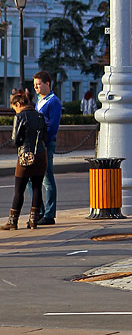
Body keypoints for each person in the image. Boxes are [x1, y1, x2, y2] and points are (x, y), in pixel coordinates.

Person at [1, 91, 47, 230]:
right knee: (37, 187)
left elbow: (15, 140)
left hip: (25, 156)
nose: (15, 111)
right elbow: (45, 135)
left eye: (14, 107)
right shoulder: (40, 116)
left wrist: (22, 142)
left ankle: (12, 221)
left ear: (19, 104)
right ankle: (33, 220)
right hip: (40, 155)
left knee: (19, 190)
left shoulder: (20, 116)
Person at [33, 71, 62, 226]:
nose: (36, 87)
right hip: (36, 143)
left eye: (38, 84)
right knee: (32, 178)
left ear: (47, 84)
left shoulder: (53, 102)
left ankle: (49, 214)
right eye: (35, 85)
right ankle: (39, 210)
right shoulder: (39, 100)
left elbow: (53, 126)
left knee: (47, 178)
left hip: (46, 144)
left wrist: (45, 142)